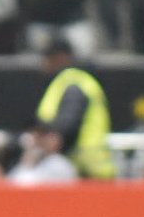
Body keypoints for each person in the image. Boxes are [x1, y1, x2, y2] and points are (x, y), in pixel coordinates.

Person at [35, 40, 114, 179]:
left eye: (48, 58)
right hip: (82, 170)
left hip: (84, 170)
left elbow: (68, 125)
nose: (44, 64)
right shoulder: (67, 82)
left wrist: (53, 140)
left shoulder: (73, 83)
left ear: (60, 58)